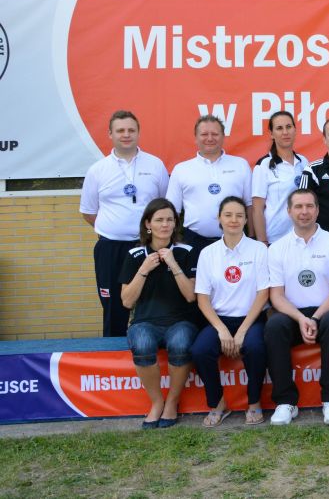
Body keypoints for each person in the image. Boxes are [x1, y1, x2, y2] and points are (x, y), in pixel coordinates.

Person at [81, 110, 169, 337]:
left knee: (152, 302)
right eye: (120, 130)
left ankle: (151, 348)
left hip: (147, 247)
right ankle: (113, 354)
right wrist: (114, 228)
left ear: (138, 133)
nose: (126, 135)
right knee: (113, 307)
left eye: (131, 130)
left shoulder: (155, 165)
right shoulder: (97, 170)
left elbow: (164, 206)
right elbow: (89, 212)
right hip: (111, 249)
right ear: (110, 134)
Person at [264, 188, 329, 425]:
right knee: (274, 326)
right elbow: (276, 296)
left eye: (310, 206)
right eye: (299, 207)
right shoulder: (277, 248)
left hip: (325, 311)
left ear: (317, 210)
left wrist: (316, 317)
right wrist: (301, 319)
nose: (304, 212)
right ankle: (285, 402)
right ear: (289, 211)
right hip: (293, 314)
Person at [120, 198, 198, 428]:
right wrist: (143, 270)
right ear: (148, 224)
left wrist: (174, 265)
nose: (165, 224)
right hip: (145, 322)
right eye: (159, 220)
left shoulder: (186, 252)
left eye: (170, 220)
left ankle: (172, 402)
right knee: (142, 343)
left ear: (175, 224)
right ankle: (156, 403)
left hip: (180, 321)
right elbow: (127, 301)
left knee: (180, 343)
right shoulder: (134, 255)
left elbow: (191, 296)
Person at [191, 197, 270, 427]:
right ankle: (217, 404)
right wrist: (222, 330)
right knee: (200, 350)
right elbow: (202, 299)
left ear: (246, 219)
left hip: (252, 318)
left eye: (239, 215)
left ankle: (254, 402)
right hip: (220, 320)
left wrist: (243, 330)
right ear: (219, 218)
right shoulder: (208, 253)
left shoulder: (259, 250)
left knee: (255, 348)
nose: (233, 220)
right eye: (228, 215)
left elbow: (263, 293)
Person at [166, 114, 253, 263]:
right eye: (204, 134)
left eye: (215, 134)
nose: (210, 138)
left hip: (235, 241)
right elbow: (172, 211)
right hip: (193, 241)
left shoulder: (241, 165)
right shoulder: (181, 169)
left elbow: (250, 205)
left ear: (223, 136)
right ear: (195, 137)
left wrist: (251, 237)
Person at [251, 111, 308, 245]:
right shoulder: (263, 165)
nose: (285, 132)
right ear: (271, 134)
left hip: (301, 237)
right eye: (279, 128)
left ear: (295, 130)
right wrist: (263, 242)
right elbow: (257, 209)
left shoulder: (304, 162)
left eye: (289, 127)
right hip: (275, 239)